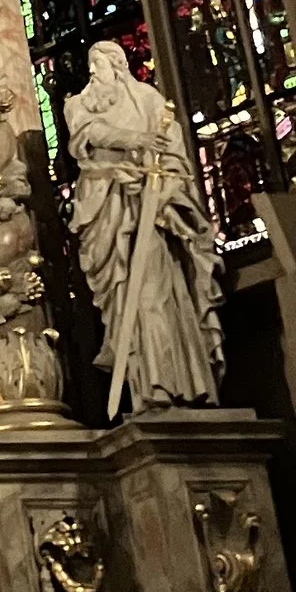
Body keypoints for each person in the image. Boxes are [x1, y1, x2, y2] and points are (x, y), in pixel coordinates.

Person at [67, 40, 223, 411]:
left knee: (157, 295)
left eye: (99, 63)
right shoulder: (79, 104)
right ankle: (143, 388)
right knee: (126, 303)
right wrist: (134, 140)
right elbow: (88, 134)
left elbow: (175, 156)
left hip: (151, 212)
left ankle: (173, 383)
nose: (93, 71)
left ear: (118, 65)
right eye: (90, 64)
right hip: (107, 210)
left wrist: (164, 188)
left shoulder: (149, 101)